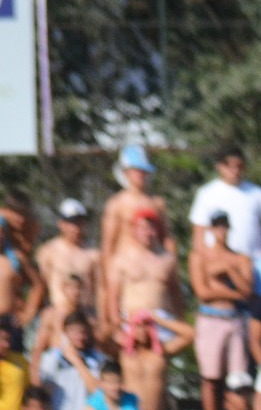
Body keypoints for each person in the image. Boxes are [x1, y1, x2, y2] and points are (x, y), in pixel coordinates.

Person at [188, 210, 258, 410]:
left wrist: (229, 271)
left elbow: (248, 292)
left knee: (237, 378)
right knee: (211, 378)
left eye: (224, 226)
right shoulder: (199, 256)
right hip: (210, 318)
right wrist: (234, 292)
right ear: (211, 229)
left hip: (234, 320)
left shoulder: (239, 258)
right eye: (217, 226)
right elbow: (202, 292)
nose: (221, 231)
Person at [33, 201, 103, 361]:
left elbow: (100, 290)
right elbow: (40, 287)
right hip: (57, 316)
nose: (76, 227)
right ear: (61, 223)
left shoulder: (93, 255)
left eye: (80, 222)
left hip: (85, 318)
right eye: (71, 222)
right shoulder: (48, 251)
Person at [103, 208, 183, 334]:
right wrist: (117, 324)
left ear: (157, 230)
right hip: (132, 322)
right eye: (143, 228)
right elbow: (113, 296)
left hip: (161, 322)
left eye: (151, 228)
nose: (147, 232)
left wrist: (179, 321)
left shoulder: (168, 259)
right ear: (134, 230)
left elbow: (176, 294)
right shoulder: (121, 259)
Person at [188, 146, 261, 258]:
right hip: (218, 263)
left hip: (252, 261)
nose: (235, 171)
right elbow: (198, 233)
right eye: (229, 166)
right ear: (219, 166)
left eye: (239, 166)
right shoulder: (206, 193)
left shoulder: (257, 193)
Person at [41, 311, 106, 410]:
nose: (80, 336)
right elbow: (45, 396)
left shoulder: (98, 360)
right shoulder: (51, 358)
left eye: (83, 332)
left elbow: (97, 391)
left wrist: (76, 361)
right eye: (74, 332)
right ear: (65, 333)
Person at [116, 310, 193, 410]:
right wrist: (122, 321)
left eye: (146, 325)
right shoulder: (124, 354)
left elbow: (190, 334)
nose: (143, 331)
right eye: (138, 326)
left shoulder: (161, 352)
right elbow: (102, 337)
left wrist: (158, 319)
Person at [100, 144, 169, 263]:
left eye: (143, 170)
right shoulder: (116, 204)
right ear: (126, 172)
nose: (140, 174)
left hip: (152, 267)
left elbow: (166, 239)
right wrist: (106, 278)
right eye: (136, 170)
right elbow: (108, 245)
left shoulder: (157, 203)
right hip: (126, 270)